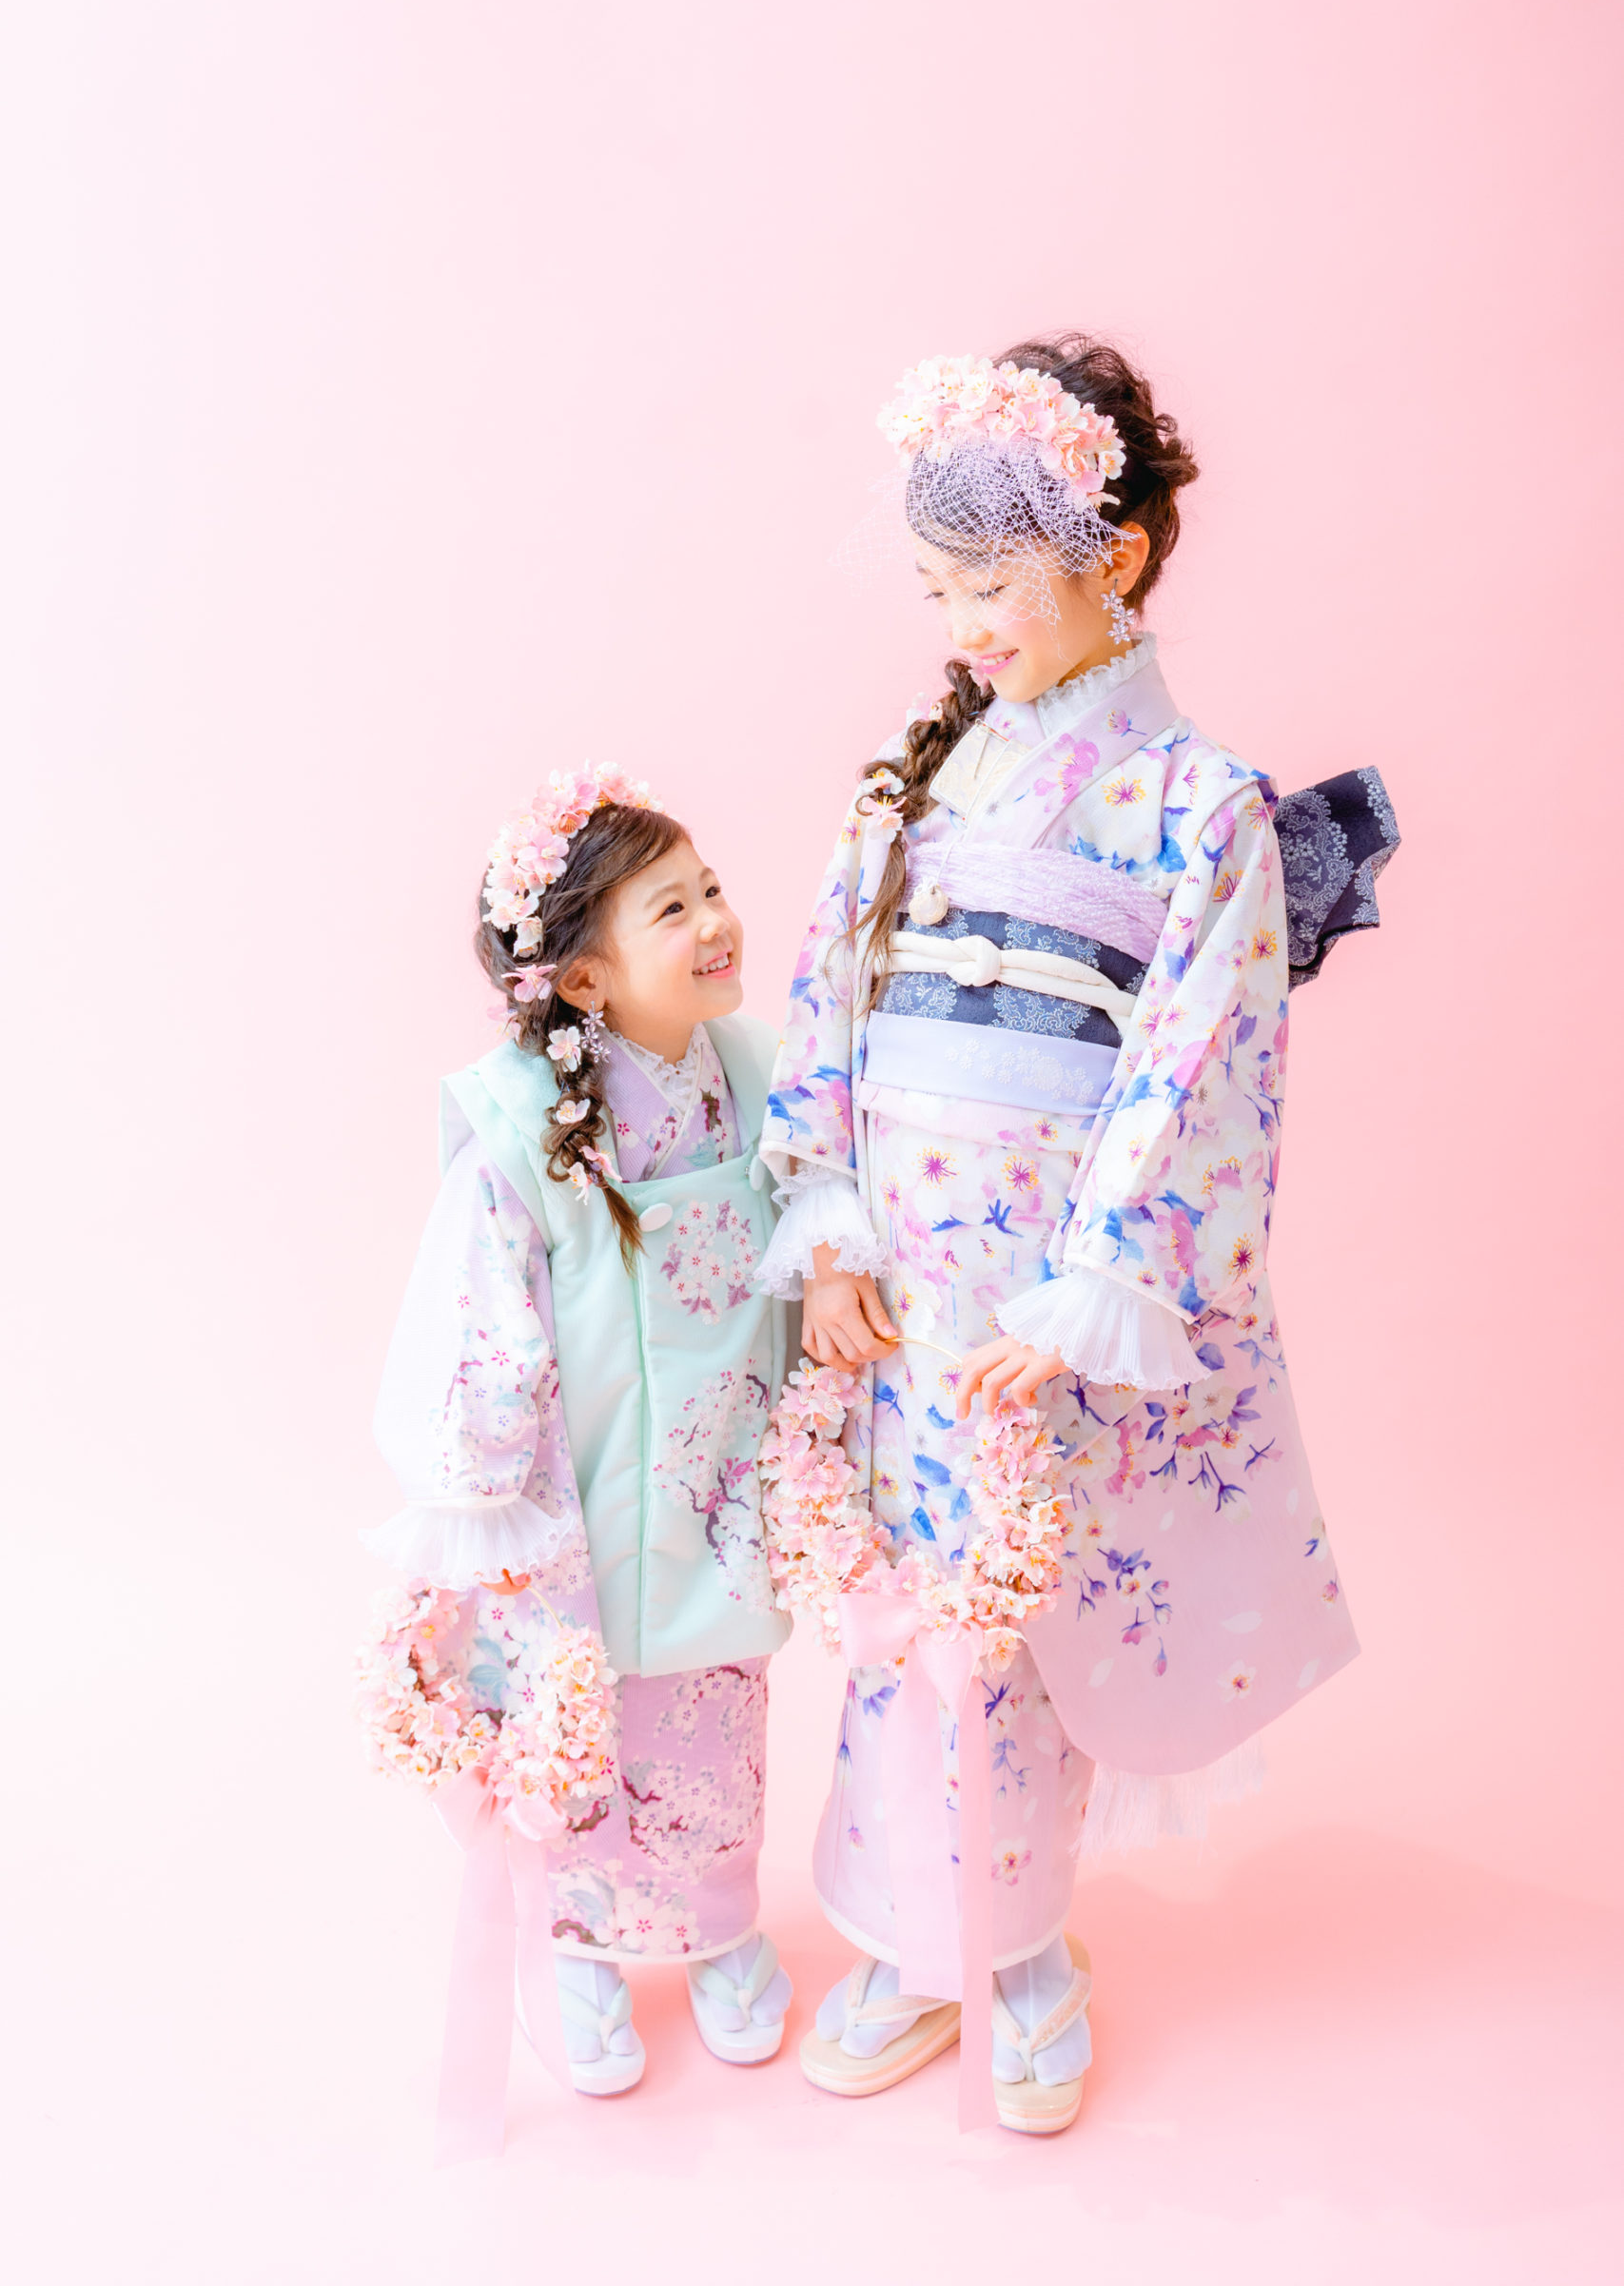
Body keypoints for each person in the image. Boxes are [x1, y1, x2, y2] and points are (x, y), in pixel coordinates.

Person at [754, 341, 1398, 2134]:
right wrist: (827, 1235)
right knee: (900, 1610)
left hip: (1042, 1297)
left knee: (1019, 1613)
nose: (964, 629)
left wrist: (1093, 1286)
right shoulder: (913, 791)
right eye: (939, 592)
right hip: (904, 1276)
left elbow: (1196, 1066)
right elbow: (827, 1012)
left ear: (1110, 559)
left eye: (991, 588)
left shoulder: (1198, 805)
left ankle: (1018, 1946)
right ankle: (906, 1935)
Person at [362, 766, 793, 2158]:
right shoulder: (517, 1120)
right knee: (587, 1720)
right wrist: (487, 1476)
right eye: (672, 908)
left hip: (722, 1466)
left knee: (712, 1714)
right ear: (587, 977)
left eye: (711, 889)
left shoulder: (755, 1073)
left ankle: (719, 1927)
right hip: (583, 1473)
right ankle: (583, 1945)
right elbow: (476, 1301)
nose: (716, 921)